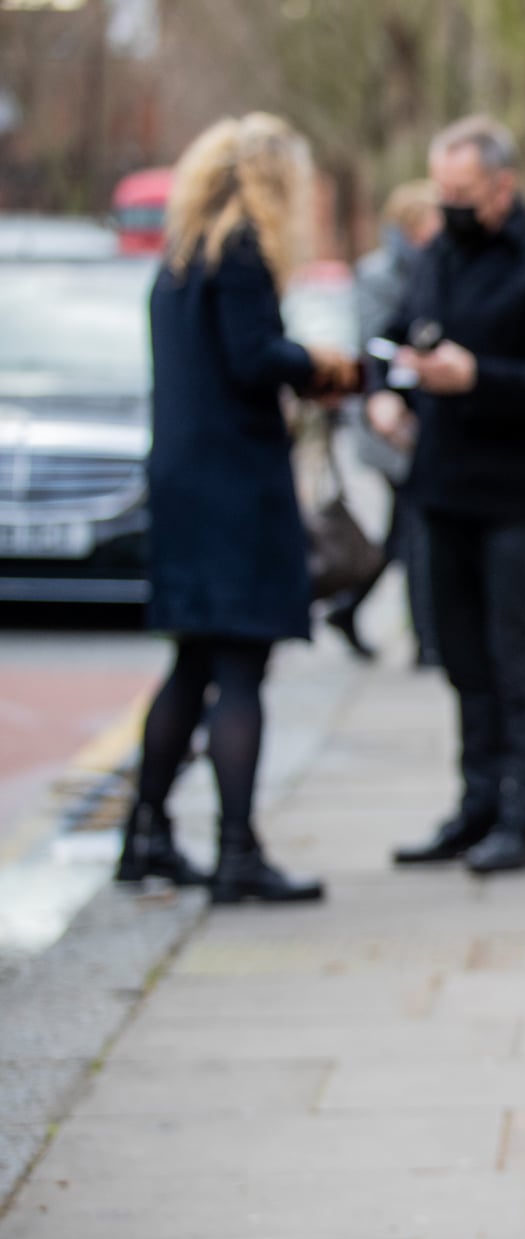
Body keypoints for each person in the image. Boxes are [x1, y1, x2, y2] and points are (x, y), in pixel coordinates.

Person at [116, 113, 356, 905]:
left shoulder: (181, 260)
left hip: (184, 484)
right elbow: (254, 359)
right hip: (235, 490)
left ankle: (145, 835)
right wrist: (318, 365)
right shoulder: (243, 253)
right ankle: (236, 854)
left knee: (192, 662)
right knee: (241, 670)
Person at [368, 115, 525, 876]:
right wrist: (387, 389)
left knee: (514, 657)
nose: (450, 204)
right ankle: (475, 807)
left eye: (462, 192)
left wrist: (477, 378)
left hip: (511, 497)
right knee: (462, 658)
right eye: (443, 191)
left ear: (503, 186)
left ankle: (522, 821)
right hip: (439, 487)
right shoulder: (438, 255)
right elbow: (396, 334)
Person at [326, 180, 442, 667]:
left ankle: (348, 609)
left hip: (420, 422)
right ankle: (426, 642)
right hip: (388, 424)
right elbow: (375, 347)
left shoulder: (434, 268)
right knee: (414, 532)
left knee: (402, 534)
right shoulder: (378, 275)